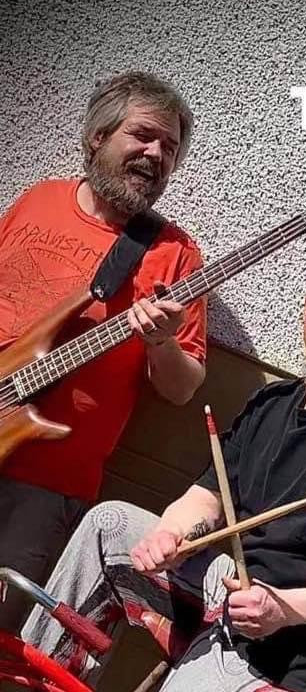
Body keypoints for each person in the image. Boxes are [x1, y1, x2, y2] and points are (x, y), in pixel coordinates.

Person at [22, 238, 306, 692]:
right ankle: (35, 679)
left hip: (302, 654)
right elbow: (208, 496)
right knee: (110, 526)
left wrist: (285, 609)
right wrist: (173, 536)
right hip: (234, 591)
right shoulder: (271, 405)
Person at [0, 71, 207, 632]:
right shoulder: (39, 200)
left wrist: (160, 340)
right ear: (97, 137)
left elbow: (183, 387)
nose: (156, 153)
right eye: (143, 135)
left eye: (170, 147)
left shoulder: (174, 254)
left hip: (44, 488)